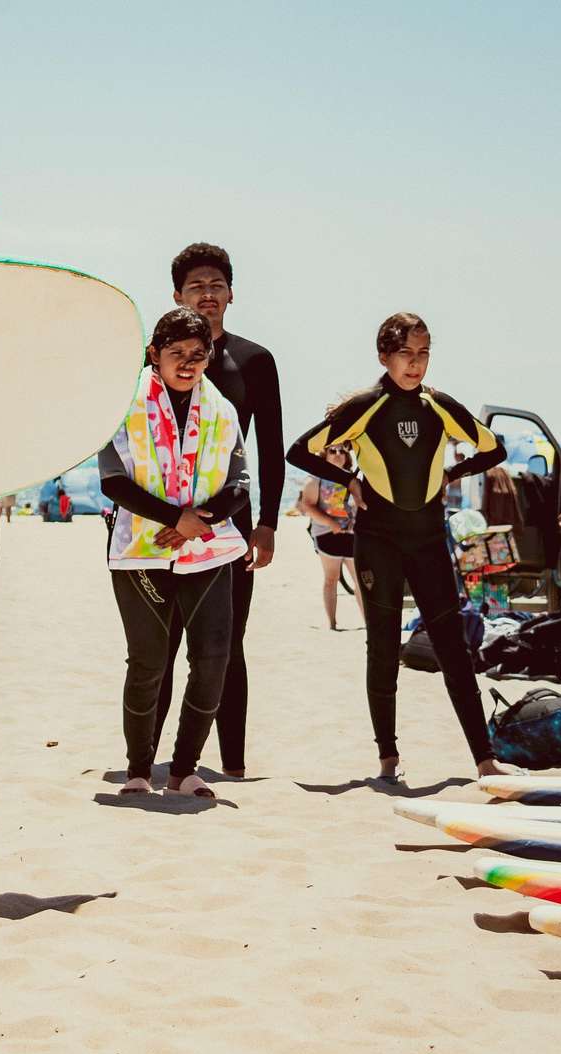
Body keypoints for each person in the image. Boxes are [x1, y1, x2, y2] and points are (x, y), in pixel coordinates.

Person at [287, 313, 517, 780]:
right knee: (383, 646)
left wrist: (453, 473)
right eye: (406, 354)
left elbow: (494, 450)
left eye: (424, 353)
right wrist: (350, 480)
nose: (416, 364)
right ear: (384, 356)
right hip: (380, 540)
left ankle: (484, 759)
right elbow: (300, 451)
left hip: (429, 539)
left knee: (453, 648)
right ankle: (387, 758)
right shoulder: (366, 405)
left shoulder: (441, 406)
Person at [99, 308, 249, 799]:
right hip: (141, 550)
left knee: (212, 659)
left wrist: (192, 524)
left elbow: (240, 484)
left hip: (204, 549)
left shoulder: (221, 409)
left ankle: (184, 769)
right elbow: (113, 479)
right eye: (177, 354)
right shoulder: (122, 403)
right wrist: (172, 519)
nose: (188, 364)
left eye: (198, 355)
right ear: (154, 355)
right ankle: (139, 769)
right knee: (148, 662)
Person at [148, 243, 284, 779]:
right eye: (196, 286)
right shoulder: (152, 358)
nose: (208, 294)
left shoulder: (253, 361)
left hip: (229, 519)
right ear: (177, 295)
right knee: (160, 641)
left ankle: (232, 764)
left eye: (217, 285)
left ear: (231, 293)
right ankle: (148, 757)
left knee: (227, 643)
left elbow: (269, 447)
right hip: (159, 522)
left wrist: (268, 524)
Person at [296, 441, 364, 630]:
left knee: (359, 580)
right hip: (327, 534)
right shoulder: (315, 479)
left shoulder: (353, 478)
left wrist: (355, 521)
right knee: (331, 579)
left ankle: (368, 623)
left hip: (351, 534)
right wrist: (331, 523)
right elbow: (307, 505)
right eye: (332, 450)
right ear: (324, 454)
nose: (338, 454)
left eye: (342, 450)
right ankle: (332, 624)